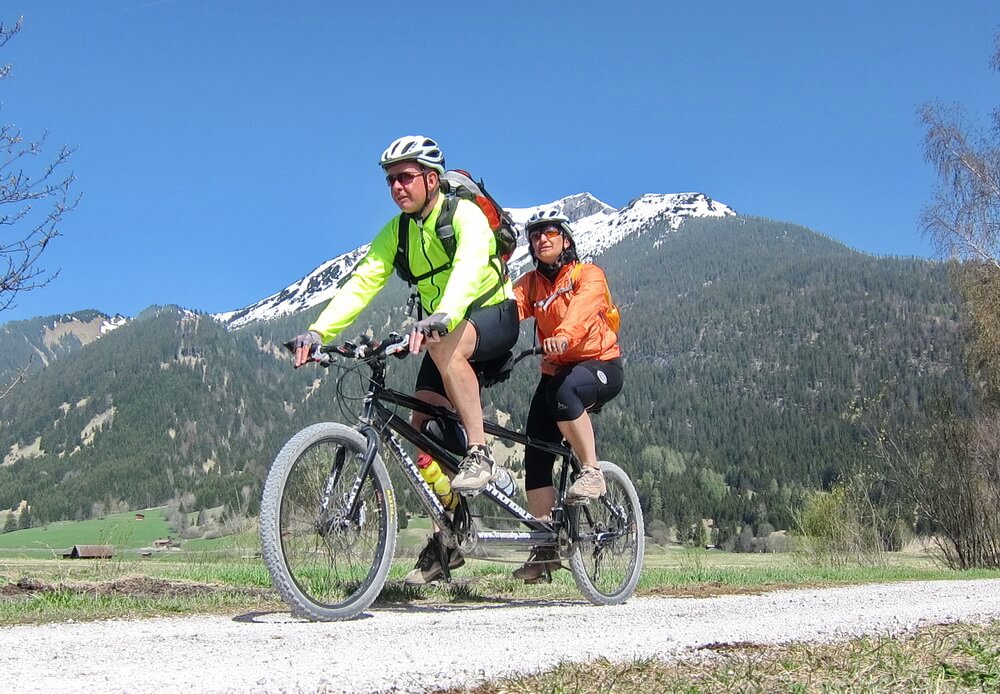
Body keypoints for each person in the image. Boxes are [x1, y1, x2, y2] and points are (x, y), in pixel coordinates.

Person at [290, 135, 518, 584]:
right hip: (441, 331)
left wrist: (441, 316)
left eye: (406, 177)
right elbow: (362, 283)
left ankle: (480, 452)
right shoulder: (396, 233)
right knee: (422, 441)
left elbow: (471, 267)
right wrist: (319, 331)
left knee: (445, 347)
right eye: (390, 180)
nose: (397, 187)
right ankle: (447, 537)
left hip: (491, 315)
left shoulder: (463, 215)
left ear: (432, 179)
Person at [511, 210, 625, 582]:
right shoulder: (530, 284)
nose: (542, 239)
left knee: (565, 391)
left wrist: (564, 333)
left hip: (600, 366)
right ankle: (544, 550)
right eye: (535, 235)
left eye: (550, 233)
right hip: (555, 372)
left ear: (566, 240)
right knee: (535, 454)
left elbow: (584, 306)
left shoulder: (587, 274)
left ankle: (592, 470)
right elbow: (510, 309)